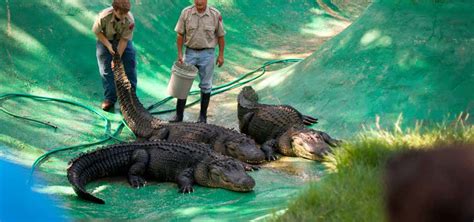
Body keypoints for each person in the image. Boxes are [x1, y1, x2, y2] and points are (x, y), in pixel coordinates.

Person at [171, 0, 226, 123]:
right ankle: (178, 116)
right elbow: (180, 34)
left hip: (208, 54)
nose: (199, 2)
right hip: (189, 52)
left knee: (206, 85)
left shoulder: (215, 14)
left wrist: (221, 55)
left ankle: (202, 117)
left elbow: (221, 36)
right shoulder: (186, 13)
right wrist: (180, 54)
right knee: (182, 85)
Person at [93, 0, 137, 111]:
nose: (123, 17)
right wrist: (108, 46)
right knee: (106, 69)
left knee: (130, 65)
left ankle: (131, 99)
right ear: (114, 10)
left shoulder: (130, 20)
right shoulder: (104, 16)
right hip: (105, 40)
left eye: (125, 13)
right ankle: (110, 99)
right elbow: (97, 32)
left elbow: (124, 40)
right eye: (121, 14)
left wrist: (116, 58)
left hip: (122, 41)